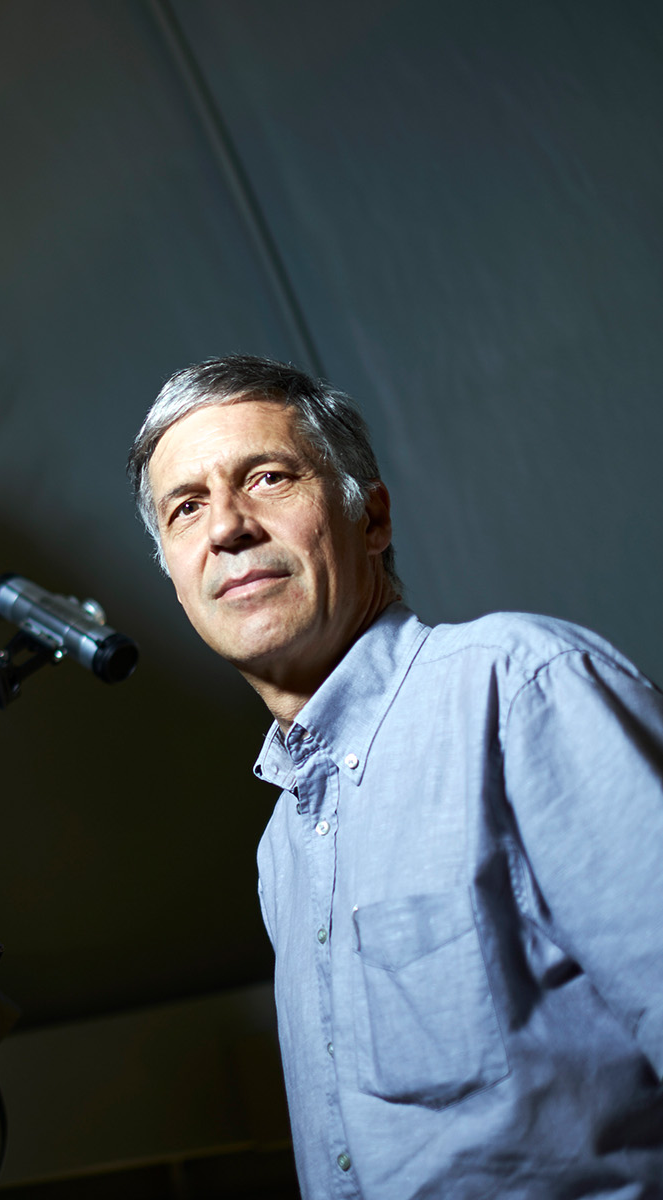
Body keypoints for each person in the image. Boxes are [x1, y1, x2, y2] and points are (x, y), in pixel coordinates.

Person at [126, 355, 663, 1197]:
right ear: (176, 575)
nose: (225, 526)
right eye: (185, 507)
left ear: (370, 518)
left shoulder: (519, 685)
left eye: (266, 477)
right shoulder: (281, 849)